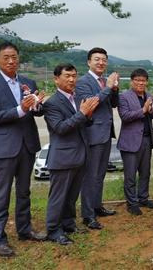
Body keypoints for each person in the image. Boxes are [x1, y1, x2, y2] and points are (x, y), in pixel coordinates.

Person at [0, 42, 46, 257]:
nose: (11, 61)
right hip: (4, 147)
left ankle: (24, 229)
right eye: (6, 57)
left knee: (24, 191)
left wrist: (37, 105)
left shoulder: (28, 82)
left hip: (27, 144)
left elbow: (35, 112)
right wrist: (21, 109)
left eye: (15, 57)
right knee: (1, 195)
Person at [43, 64, 99, 245]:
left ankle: (68, 223)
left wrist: (88, 116)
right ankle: (53, 229)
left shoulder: (77, 99)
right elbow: (60, 128)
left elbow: (83, 124)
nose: (72, 80)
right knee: (58, 196)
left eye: (74, 76)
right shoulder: (52, 103)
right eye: (67, 76)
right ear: (56, 79)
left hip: (80, 154)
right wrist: (83, 114)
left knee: (72, 195)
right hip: (62, 158)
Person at [76, 47, 119, 230]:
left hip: (106, 133)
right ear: (89, 62)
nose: (101, 62)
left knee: (100, 175)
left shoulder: (104, 81)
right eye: (97, 59)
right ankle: (87, 215)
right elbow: (90, 104)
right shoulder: (83, 82)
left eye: (104, 60)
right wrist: (108, 88)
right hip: (92, 134)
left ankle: (97, 205)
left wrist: (114, 89)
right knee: (90, 176)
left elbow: (114, 104)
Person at [117, 68, 153, 215]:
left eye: (143, 80)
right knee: (130, 175)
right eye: (137, 80)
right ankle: (132, 203)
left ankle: (143, 198)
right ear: (132, 81)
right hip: (130, 142)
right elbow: (125, 116)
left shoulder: (149, 95)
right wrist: (143, 110)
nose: (141, 83)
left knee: (145, 173)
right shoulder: (124, 97)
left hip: (147, 139)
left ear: (147, 82)